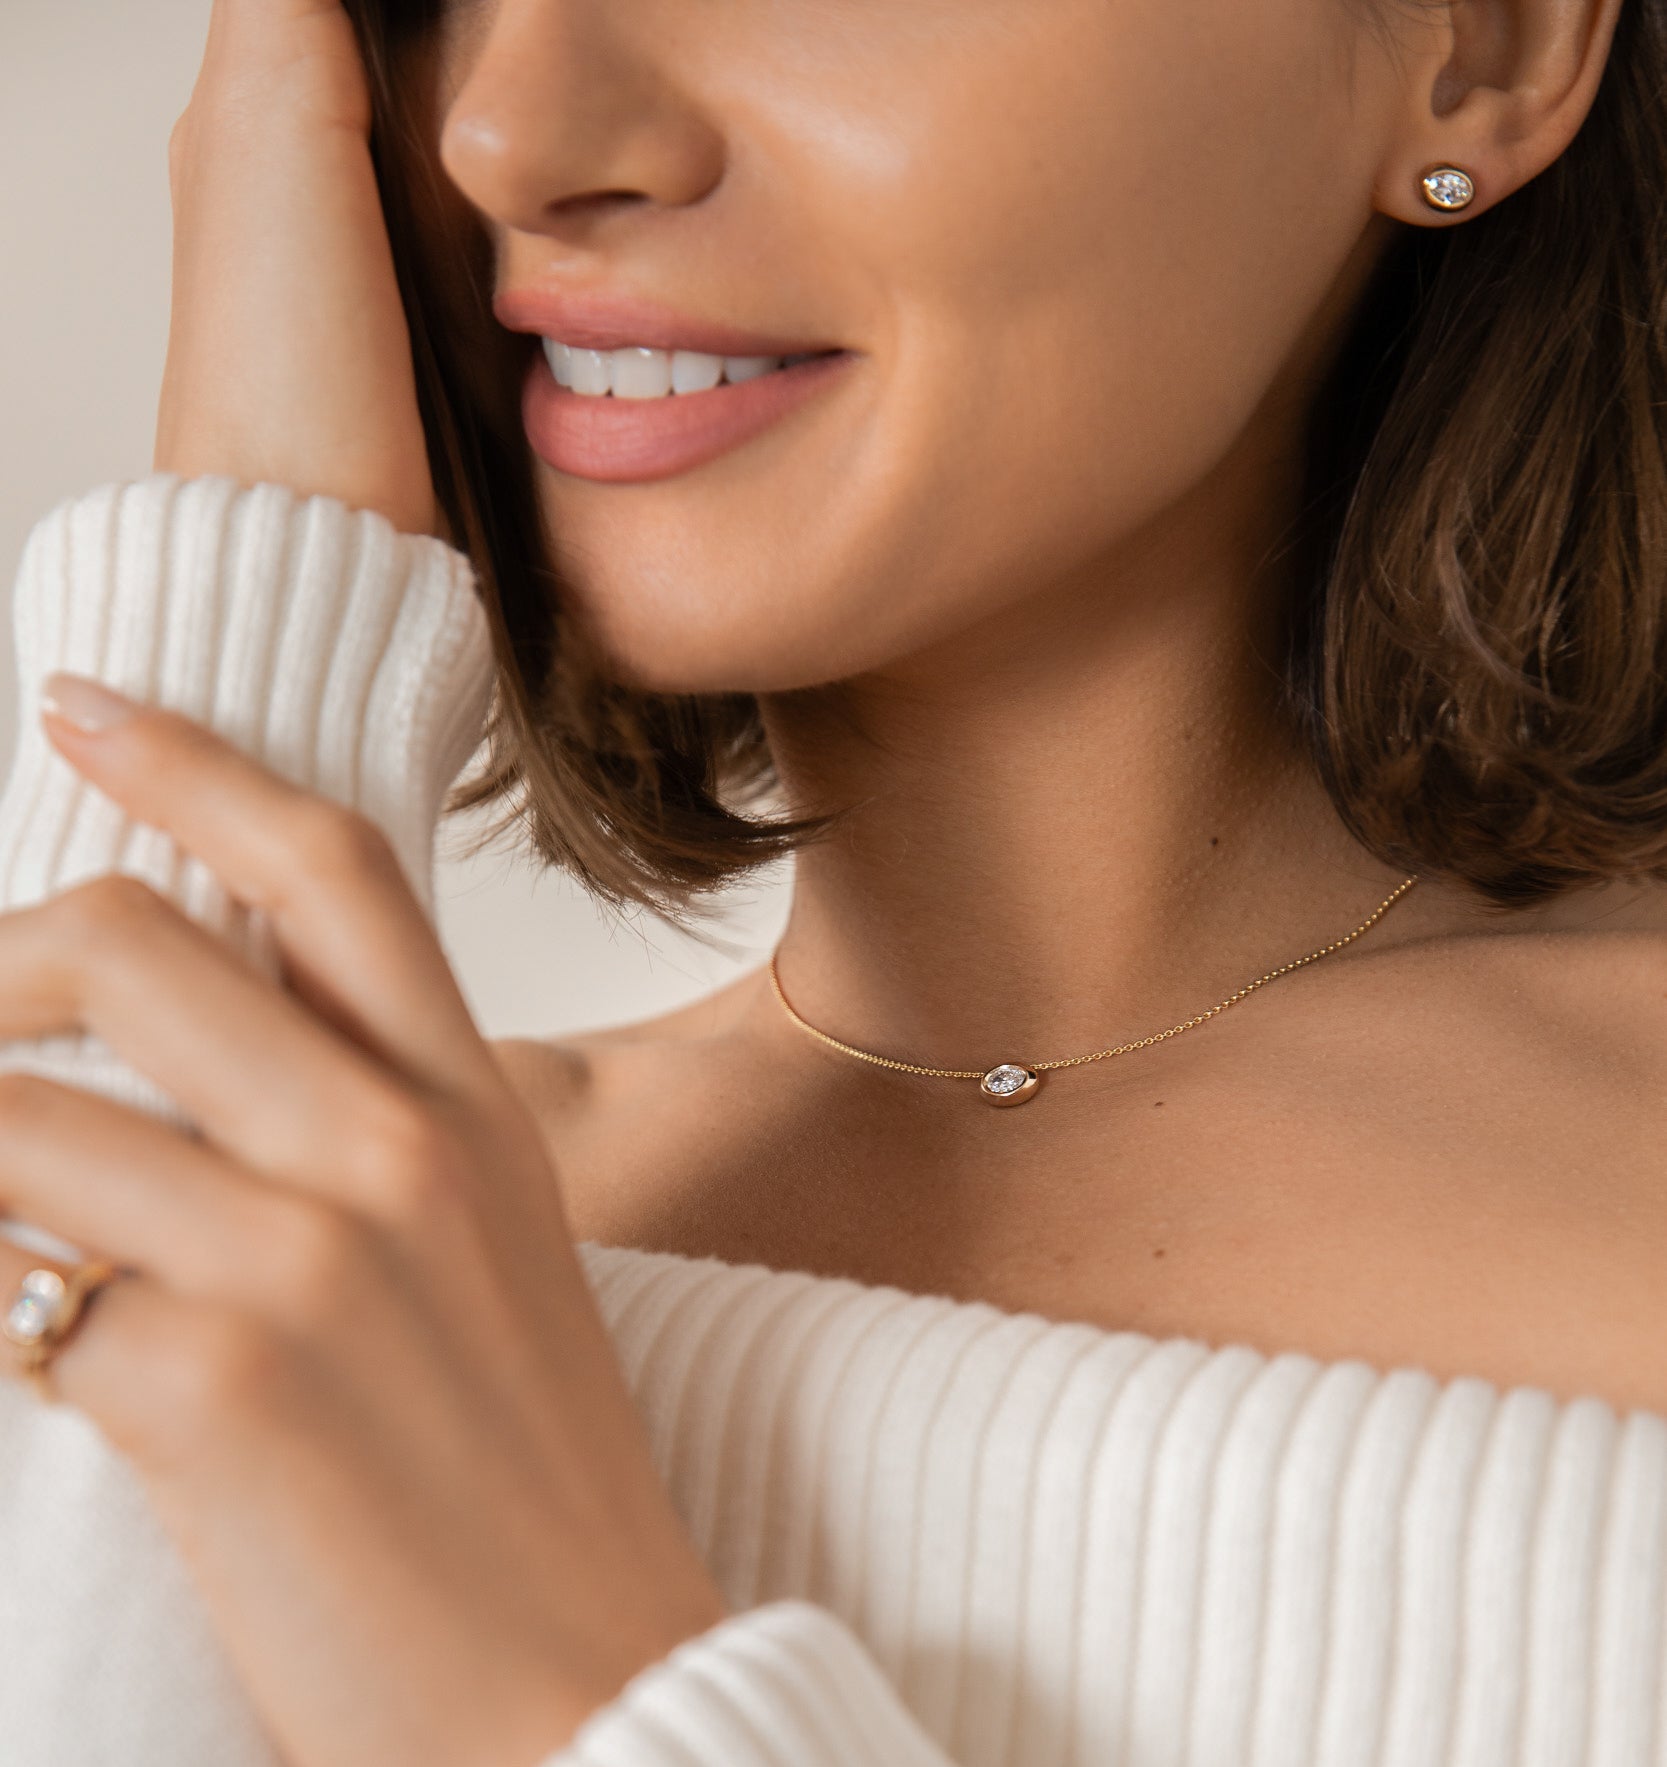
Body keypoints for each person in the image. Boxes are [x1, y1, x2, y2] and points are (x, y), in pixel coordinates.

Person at [1, 0, 1664, 1760]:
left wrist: (567, 1691)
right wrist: (244, 626)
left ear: (1483, 43)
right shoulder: (356, 1230)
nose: (514, 135)